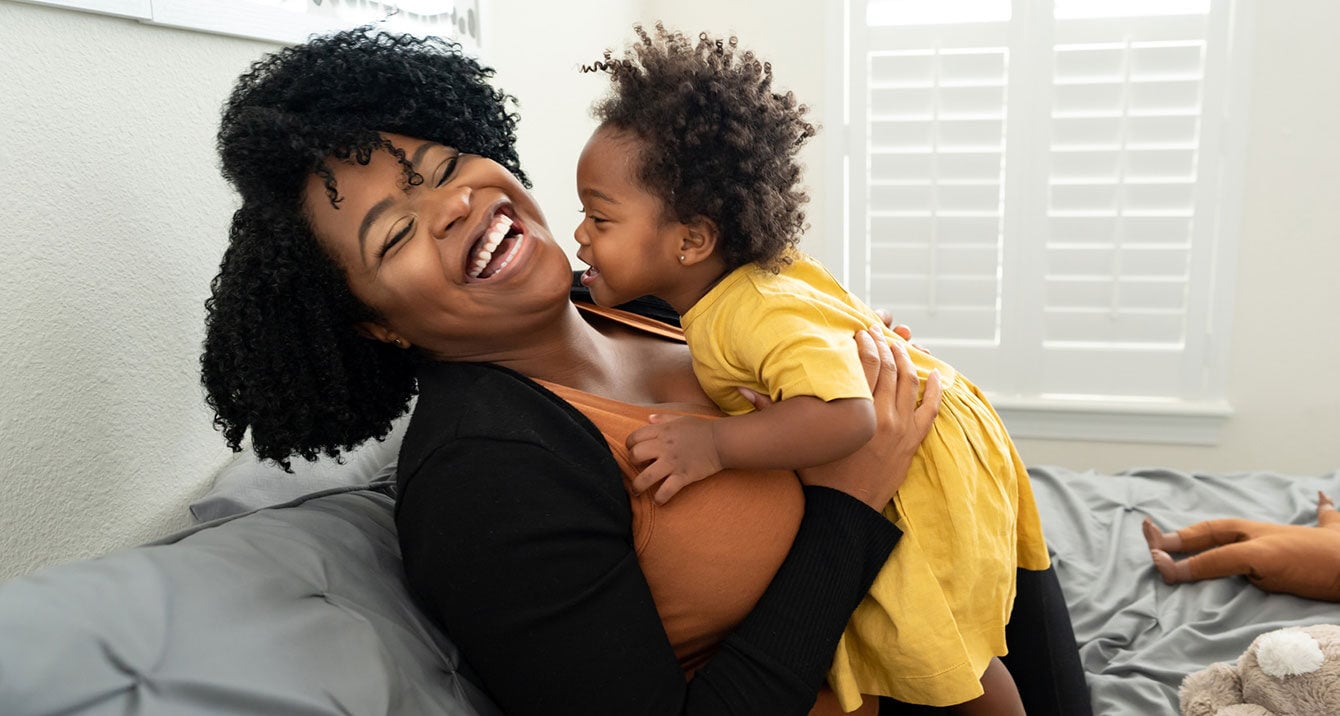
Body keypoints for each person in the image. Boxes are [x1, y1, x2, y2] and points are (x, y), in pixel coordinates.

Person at [202, 27, 1090, 716]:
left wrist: (856, 354)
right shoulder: (484, 473)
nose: (453, 208)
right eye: (393, 234)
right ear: (375, 326)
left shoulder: (631, 297)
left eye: (442, 168)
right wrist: (848, 504)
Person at [573, 25, 1048, 714]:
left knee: (938, 644)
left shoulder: (746, 311)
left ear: (692, 240)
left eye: (599, 218)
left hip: (919, 467)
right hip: (931, 435)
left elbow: (847, 415)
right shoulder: (743, 288)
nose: (580, 235)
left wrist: (714, 444)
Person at [1143, 492, 1340, 601]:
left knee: (1242, 554)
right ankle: (1169, 540)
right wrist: (1326, 507)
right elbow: (1331, 518)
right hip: (1276, 533)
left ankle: (1178, 572)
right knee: (1233, 525)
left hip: (1279, 559)